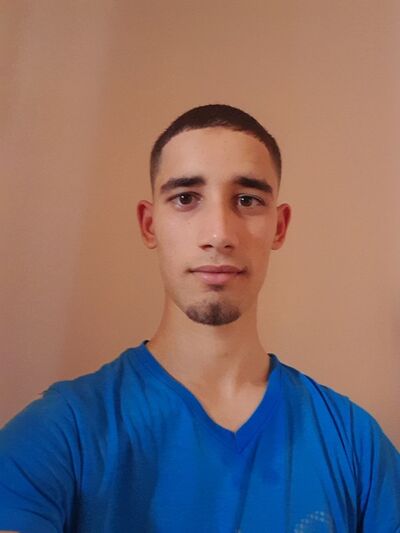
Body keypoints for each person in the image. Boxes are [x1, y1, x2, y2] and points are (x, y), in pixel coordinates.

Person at [0, 104, 398, 533]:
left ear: (279, 227)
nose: (219, 235)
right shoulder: (60, 434)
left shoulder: (356, 445)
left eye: (247, 200)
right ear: (149, 225)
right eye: (186, 198)